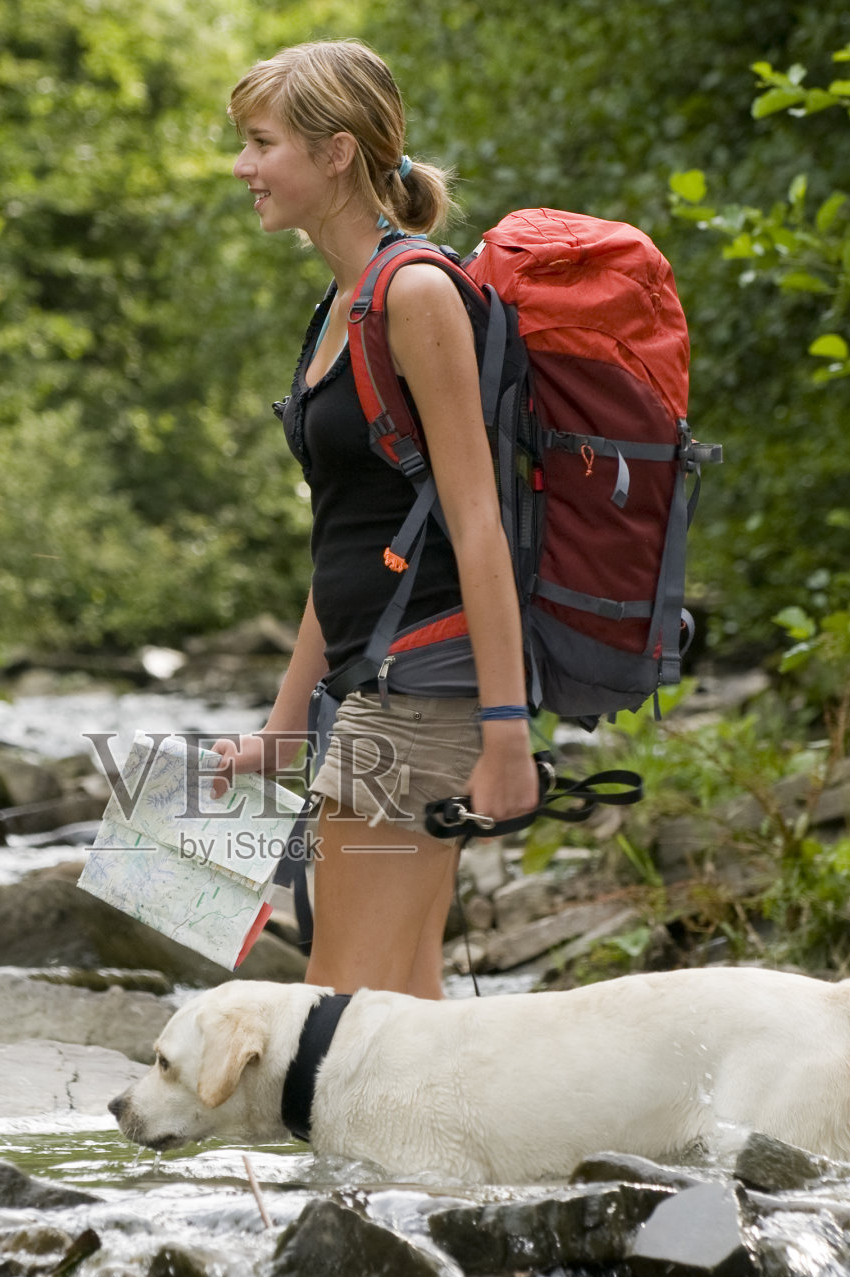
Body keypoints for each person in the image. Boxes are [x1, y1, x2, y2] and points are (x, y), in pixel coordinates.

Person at [209, 40, 540, 1001]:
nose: (243, 166)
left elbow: (477, 520)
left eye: (262, 142)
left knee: (337, 1010)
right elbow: (352, 541)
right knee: (399, 1015)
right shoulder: (340, 306)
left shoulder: (416, 293)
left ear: (337, 152)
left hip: (423, 688)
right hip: (375, 683)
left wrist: (506, 728)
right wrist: (282, 731)